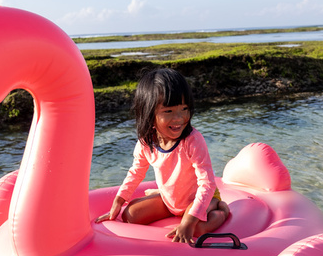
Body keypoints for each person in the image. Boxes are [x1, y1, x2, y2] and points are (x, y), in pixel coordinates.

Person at [96, 68, 230, 243]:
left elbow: (207, 183)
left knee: (195, 229)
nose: (179, 118)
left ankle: (222, 210)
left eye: (184, 109)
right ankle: (164, 198)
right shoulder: (146, 143)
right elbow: (135, 172)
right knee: (130, 215)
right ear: (149, 114)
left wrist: (189, 221)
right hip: (171, 200)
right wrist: (118, 202)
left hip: (201, 197)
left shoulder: (192, 141)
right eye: (168, 111)